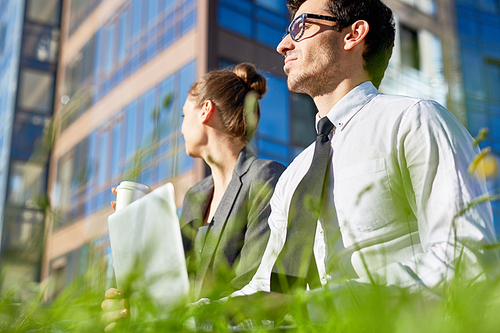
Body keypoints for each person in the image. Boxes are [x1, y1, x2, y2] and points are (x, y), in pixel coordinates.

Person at [231, 0, 498, 297]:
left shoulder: (414, 121)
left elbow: (467, 254)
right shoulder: (294, 175)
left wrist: (328, 304)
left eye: (300, 27)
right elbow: (265, 289)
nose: (283, 45)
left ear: (353, 34)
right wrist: (204, 314)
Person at [101, 63, 286, 331]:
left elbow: (252, 290)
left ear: (205, 111)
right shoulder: (196, 197)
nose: (181, 129)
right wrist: (142, 229)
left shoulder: (265, 178)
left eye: (183, 115)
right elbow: (170, 285)